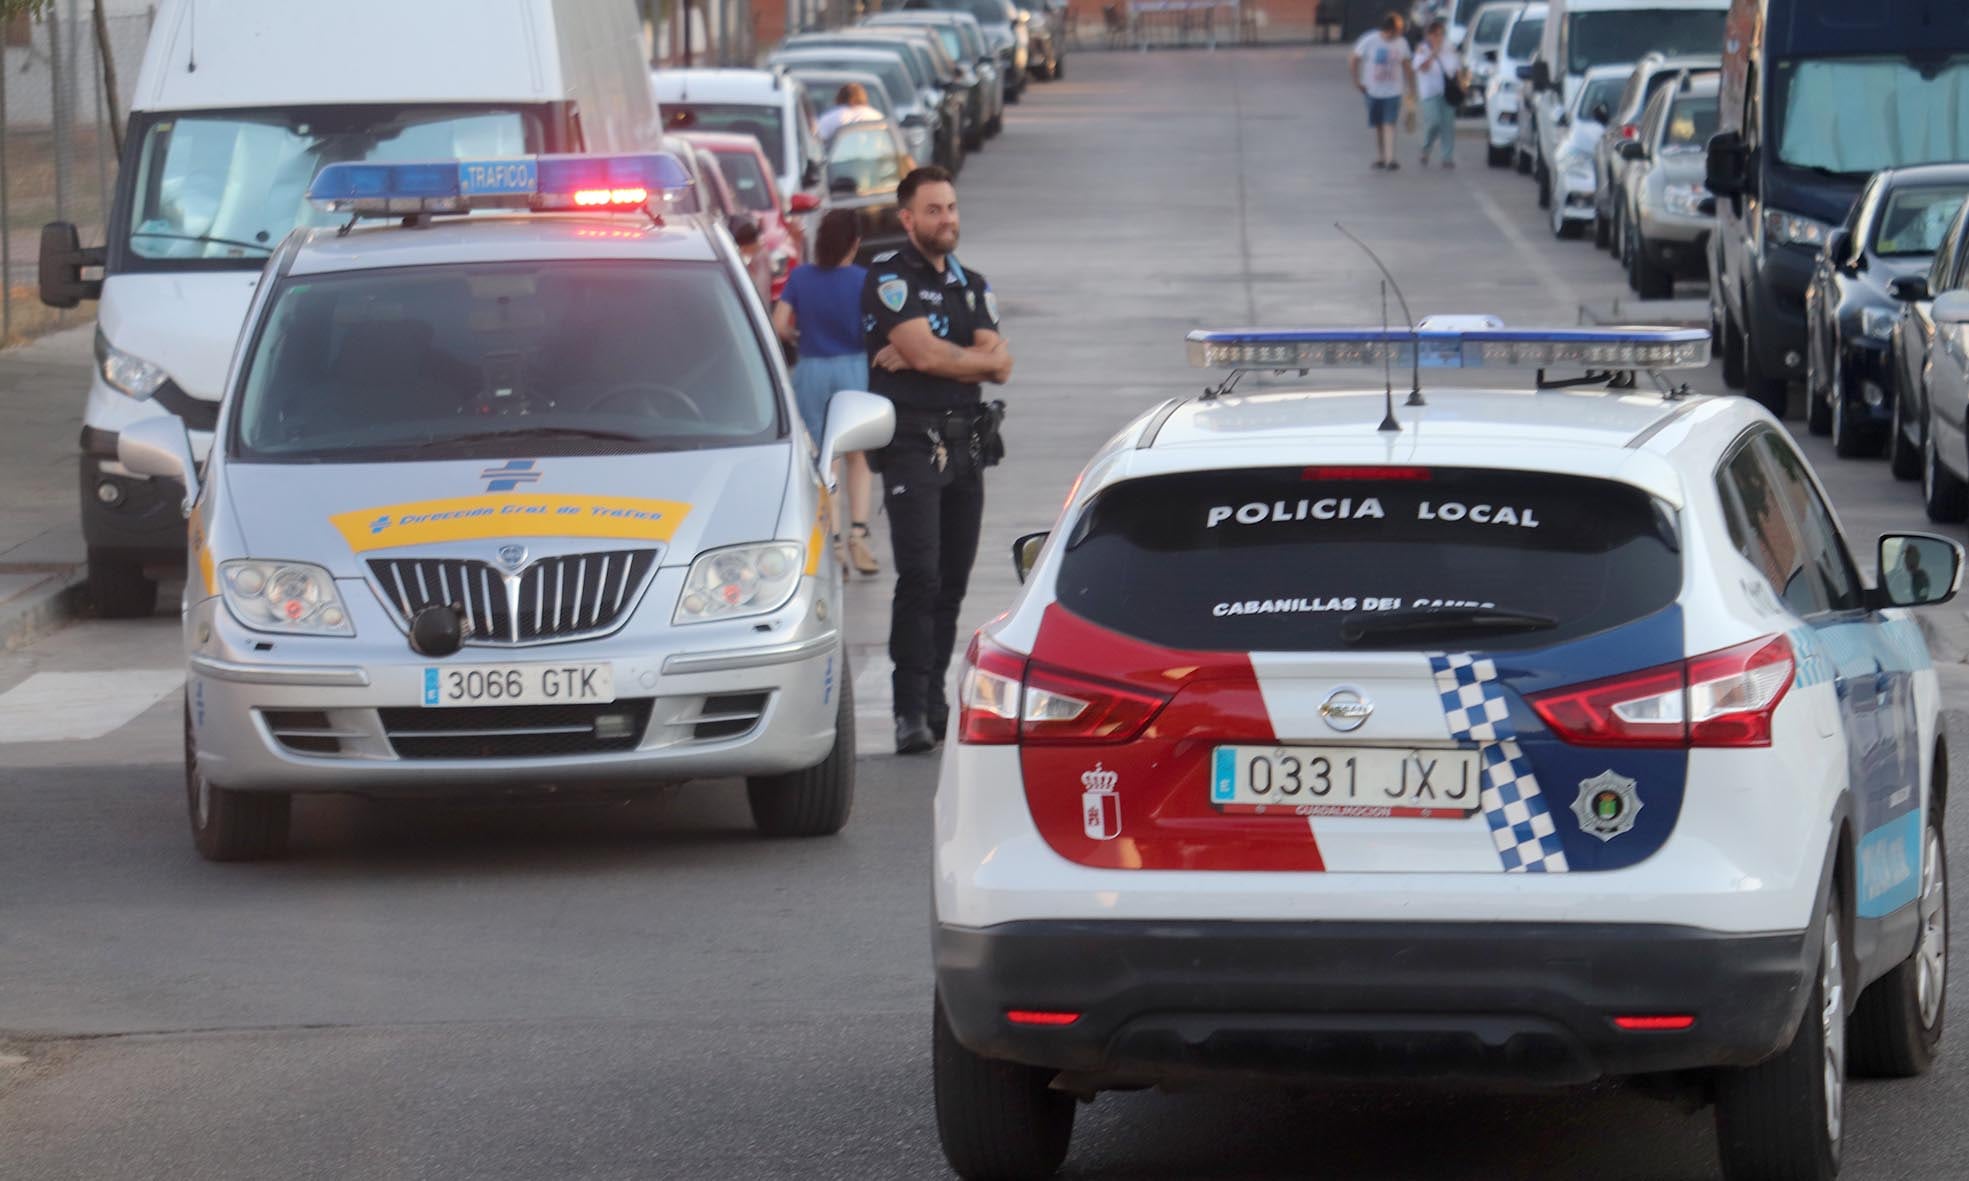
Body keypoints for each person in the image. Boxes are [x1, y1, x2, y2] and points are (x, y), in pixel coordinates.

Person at [862, 165, 1012, 754]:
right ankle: (908, 710)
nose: (945, 219)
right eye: (933, 210)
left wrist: (934, 356)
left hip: (967, 445)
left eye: (950, 207)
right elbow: (932, 353)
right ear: (907, 218)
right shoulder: (888, 278)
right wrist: (940, 354)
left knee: (952, 581)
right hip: (911, 444)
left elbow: (1000, 364)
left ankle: (935, 702)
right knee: (919, 577)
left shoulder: (971, 283)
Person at [774, 209, 880, 576]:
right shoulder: (863, 280)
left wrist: (798, 337)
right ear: (854, 243)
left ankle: (832, 539)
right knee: (858, 457)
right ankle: (859, 535)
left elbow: (779, 323)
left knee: (825, 458)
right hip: (854, 368)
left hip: (812, 369)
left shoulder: (801, 277)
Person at [1351, 11, 1415, 171]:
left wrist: (1412, 88)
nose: (1401, 32)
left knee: (1389, 123)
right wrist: (1357, 81)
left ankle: (1390, 159)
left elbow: (1407, 65)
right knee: (1378, 124)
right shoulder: (1370, 40)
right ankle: (1381, 157)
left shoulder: (1402, 43)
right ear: (1391, 29)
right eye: (1399, 29)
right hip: (1372, 90)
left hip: (1393, 91)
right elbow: (1353, 59)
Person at [1413, 17, 1461, 168]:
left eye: (1441, 34)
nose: (1438, 37)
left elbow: (1457, 68)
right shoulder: (1422, 49)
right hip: (1429, 92)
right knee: (1433, 122)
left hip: (1447, 92)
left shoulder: (1450, 48)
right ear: (1429, 35)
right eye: (1435, 34)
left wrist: (1461, 85)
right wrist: (1434, 53)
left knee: (1447, 125)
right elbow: (1423, 68)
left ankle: (1447, 157)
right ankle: (1426, 148)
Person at [816, 83, 883, 142]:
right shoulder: (877, 117)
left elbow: (819, 144)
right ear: (863, 97)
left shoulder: (829, 118)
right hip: (875, 156)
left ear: (839, 97)